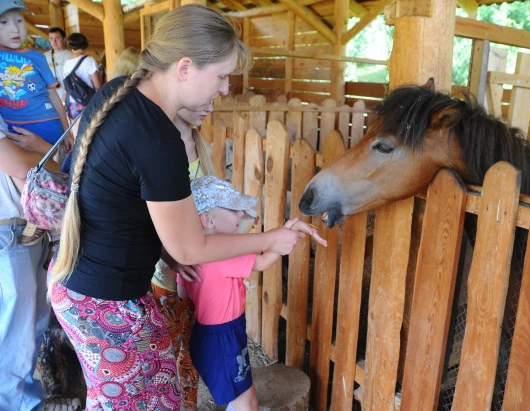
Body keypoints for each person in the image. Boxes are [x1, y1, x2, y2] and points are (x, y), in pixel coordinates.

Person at [48, 5, 309, 410]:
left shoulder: (119, 94)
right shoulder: (158, 139)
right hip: (108, 300)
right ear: (185, 67)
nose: (224, 89)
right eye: (221, 76)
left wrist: (167, 248)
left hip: (83, 283)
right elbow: (192, 249)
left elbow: (116, 199)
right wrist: (271, 239)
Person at [177, 176, 326, 411]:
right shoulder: (223, 253)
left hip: (208, 335)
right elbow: (265, 261)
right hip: (225, 339)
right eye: (234, 210)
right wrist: (289, 232)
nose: (241, 215)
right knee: (247, 403)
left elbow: (182, 294)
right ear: (208, 220)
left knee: (244, 398)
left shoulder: (190, 255)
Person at [150, 108, 216, 411]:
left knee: (192, 354)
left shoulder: (203, 148)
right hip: (161, 279)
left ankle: (188, 406)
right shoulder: (156, 147)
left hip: (198, 276)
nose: (211, 107)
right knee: (162, 357)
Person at [0, 113, 65, 410]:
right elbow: (29, 168)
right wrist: (42, 152)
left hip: (21, 230)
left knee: (30, 329)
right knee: (16, 338)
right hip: (9, 233)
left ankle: (26, 403)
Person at [0, 0, 72, 246]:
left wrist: (66, 130)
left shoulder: (37, 57)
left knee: (41, 173)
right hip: (12, 129)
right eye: (4, 22)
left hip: (46, 124)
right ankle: (46, 222)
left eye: (19, 21)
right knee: (22, 173)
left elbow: (54, 95)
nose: (15, 29)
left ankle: (51, 226)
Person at [62, 32, 101, 121]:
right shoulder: (89, 60)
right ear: (85, 44)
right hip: (87, 101)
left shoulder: (67, 63)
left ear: (70, 46)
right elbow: (97, 85)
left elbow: (66, 87)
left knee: (76, 133)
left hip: (71, 103)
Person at [44, 27, 72, 102]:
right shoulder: (44, 57)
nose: (54, 42)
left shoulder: (71, 56)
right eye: (51, 38)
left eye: (57, 38)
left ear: (64, 39)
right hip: (50, 98)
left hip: (69, 98)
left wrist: (65, 97)